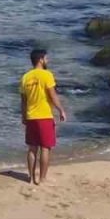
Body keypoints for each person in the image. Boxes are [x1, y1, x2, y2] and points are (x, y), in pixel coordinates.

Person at [19, 49, 67, 186]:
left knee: (32, 148)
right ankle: (42, 178)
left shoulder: (25, 77)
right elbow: (53, 95)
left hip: (31, 116)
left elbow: (23, 101)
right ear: (40, 59)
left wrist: (24, 116)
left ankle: (30, 177)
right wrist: (61, 110)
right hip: (44, 116)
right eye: (46, 58)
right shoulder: (47, 75)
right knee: (45, 148)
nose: (47, 60)